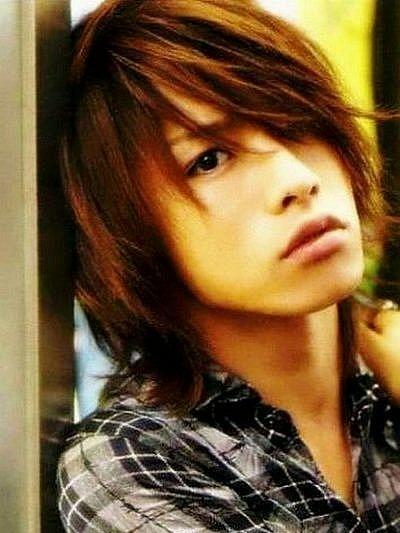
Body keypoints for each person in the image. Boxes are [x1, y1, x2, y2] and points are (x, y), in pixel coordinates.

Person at [57, 0, 400, 531]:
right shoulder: (136, 461)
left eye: (296, 124)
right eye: (209, 159)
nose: (296, 179)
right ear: (124, 229)